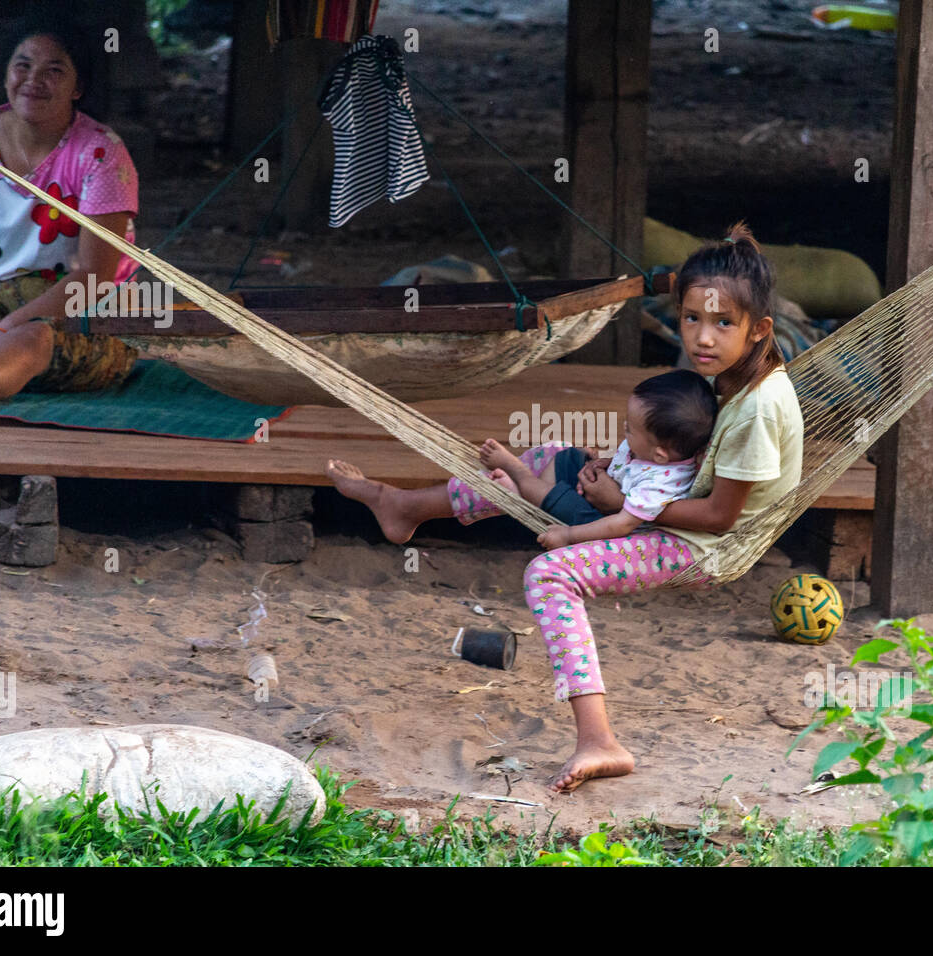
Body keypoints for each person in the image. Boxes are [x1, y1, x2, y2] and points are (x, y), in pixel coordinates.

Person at [325, 221, 804, 792]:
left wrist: (621, 498)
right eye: (692, 319)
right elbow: (678, 452)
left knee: (551, 573)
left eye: (724, 322)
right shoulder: (727, 375)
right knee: (552, 455)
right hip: (666, 498)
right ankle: (408, 507)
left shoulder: (757, 409)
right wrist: (620, 465)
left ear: (760, 330)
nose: (703, 337)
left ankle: (599, 739)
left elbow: (721, 519)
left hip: (701, 546)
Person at [0, 19, 140, 405]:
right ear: (6, 77)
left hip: (78, 319)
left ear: (78, 88)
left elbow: (95, 275)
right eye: (23, 66)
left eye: (54, 71)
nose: (34, 80)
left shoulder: (102, 153)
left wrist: (8, 328)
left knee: (33, 340)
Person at [476, 368, 717, 551]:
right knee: (570, 458)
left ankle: (519, 477)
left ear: (659, 455)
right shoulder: (653, 450)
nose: (624, 427)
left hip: (603, 524)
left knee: (561, 499)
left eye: (630, 429)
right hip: (602, 493)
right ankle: (534, 498)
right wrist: (605, 461)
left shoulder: (659, 486)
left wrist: (570, 536)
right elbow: (630, 463)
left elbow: (621, 524)